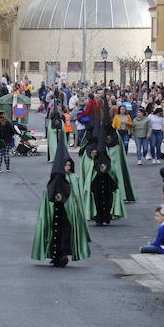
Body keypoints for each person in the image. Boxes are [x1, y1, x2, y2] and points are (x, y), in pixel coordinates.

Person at [31, 133, 91, 267]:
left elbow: (76, 197)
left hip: (67, 214)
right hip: (54, 213)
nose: (68, 168)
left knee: (65, 234)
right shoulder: (53, 182)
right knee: (53, 233)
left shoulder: (73, 179)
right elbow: (47, 199)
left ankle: (63, 255)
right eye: (66, 165)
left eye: (69, 165)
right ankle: (55, 255)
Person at [78, 99, 125, 226]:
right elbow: (88, 142)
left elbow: (113, 143)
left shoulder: (109, 128)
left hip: (105, 162)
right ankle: (99, 214)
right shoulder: (93, 127)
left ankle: (105, 214)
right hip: (96, 161)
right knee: (97, 191)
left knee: (107, 191)